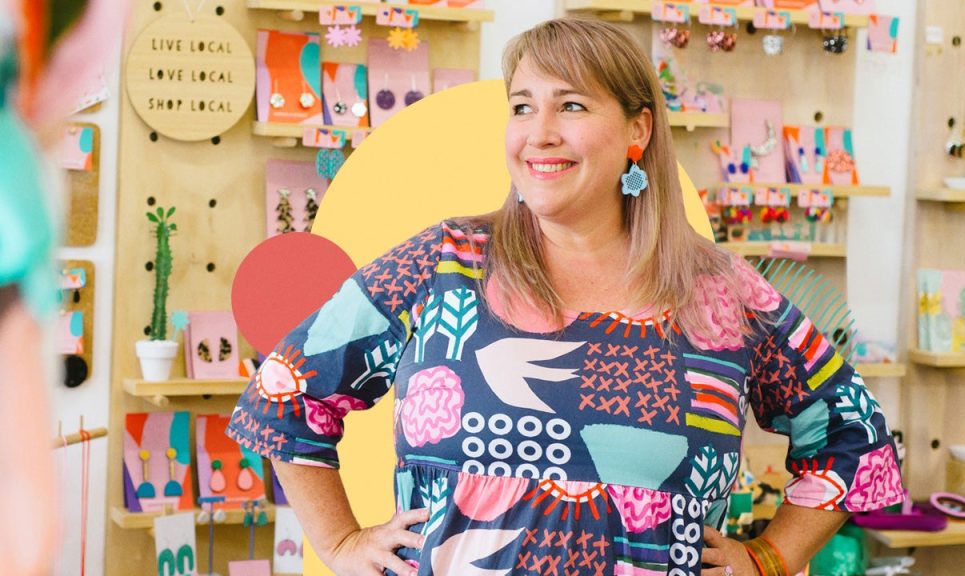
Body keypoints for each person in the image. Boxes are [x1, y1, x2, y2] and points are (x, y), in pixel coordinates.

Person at [228, 18, 903, 576]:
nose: (538, 132)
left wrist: (772, 557)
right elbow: (287, 390)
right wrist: (341, 543)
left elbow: (854, 436)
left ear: (638, 131)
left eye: (571, 105)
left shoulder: (721, 292)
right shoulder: (445, 263)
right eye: (523, 106)